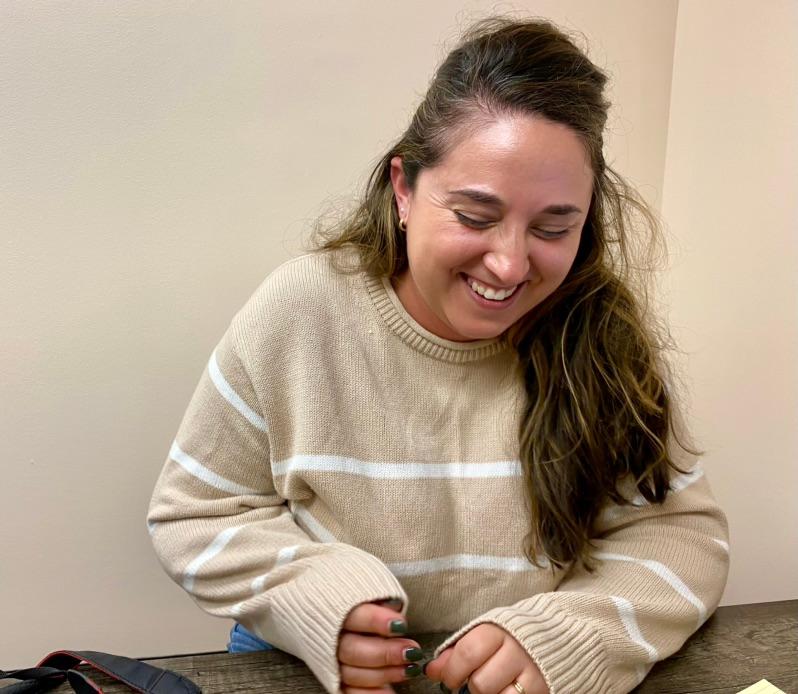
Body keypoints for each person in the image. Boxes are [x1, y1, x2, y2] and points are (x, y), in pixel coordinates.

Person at [147, 17, 729, 694]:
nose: (510, 265)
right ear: (404, 188)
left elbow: (684, 537)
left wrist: (572, 635)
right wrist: (312, 596)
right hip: (307, 668)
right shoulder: (299, 313)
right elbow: (193, 513)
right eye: (476, 216)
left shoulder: (603, 333)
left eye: (553, 227)